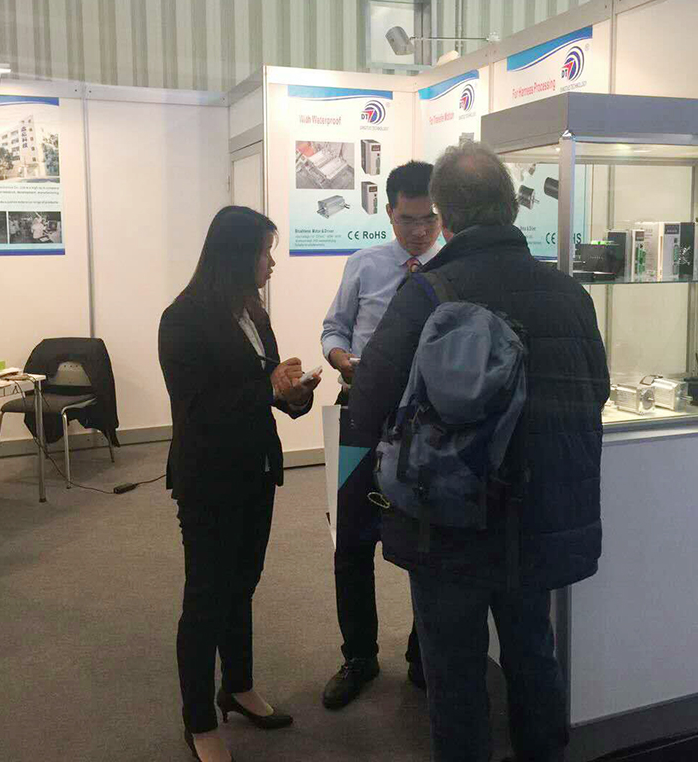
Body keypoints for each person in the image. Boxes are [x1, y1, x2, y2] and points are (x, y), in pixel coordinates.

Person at [350, 142, 610, 762]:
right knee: (533, 653)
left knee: (455, 672)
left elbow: (368, 401)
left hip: (449, 516)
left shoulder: (428, 292)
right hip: (540, 514)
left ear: (446, 216)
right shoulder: (568, 293)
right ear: (512, 207)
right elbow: (595, 391)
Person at [159, 206, 321, 762]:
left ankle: (238, 686)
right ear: (236, 255)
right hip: (209, 478)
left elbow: (264, 389)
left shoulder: (253, 312)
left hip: (256, 469)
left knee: (242, 586)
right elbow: (197, 408)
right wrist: (269, 389)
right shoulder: (182, 319)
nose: (271, 263)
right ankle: (199, 721)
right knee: (206, 598)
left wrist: (294, 394)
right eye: (264, 252)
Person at [320, 160, 442, 709]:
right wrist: (342, 359)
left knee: (427, 542)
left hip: (428, 426)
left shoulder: (451, 269)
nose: (419, 231)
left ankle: (423, 653)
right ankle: (359, 656)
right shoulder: (364, 264)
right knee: (351, 542)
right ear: (389, 212)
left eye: (429, 219)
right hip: (361, 418)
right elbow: (334, 328)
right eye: (408, 219)